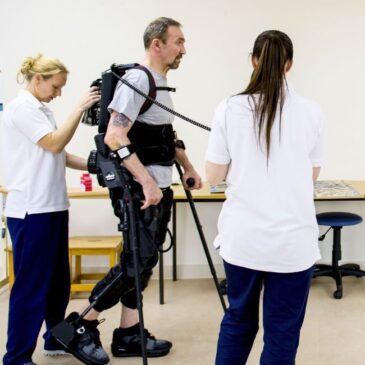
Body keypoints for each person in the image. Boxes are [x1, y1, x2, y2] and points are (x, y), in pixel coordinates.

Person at [61, 17, 202, 365]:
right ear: (157, 44)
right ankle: (78, 326)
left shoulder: (159, 82)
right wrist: (147, 182)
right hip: (138, 188)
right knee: (135, 262)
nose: (183, 48)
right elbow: (114, 135)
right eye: (178, 41)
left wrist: (188, 167)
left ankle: (128, 332)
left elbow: (164, 134)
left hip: (157, 184)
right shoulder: (139, 78)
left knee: (144, 260)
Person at [205, 30, 324, 365]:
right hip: (292, 244)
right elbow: (310, 176)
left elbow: (213, 177)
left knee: (238, 320)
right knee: (283, 331)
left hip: (244, 241)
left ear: (253, 60)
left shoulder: (229, 108)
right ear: (289, 64)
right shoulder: (312, 112)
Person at [2, 54, 100, 365]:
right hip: (32, 210)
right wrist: (79, 108)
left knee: (58, 282)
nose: (58, 93)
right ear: (38, 79)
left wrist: (98, 164)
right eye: (56, 87)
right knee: (31, 286)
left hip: (53, 205)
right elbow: (54, 144)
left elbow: (58, 154)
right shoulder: (21, 109)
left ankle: (55, 338)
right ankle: (16, 357)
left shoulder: (41, 110)